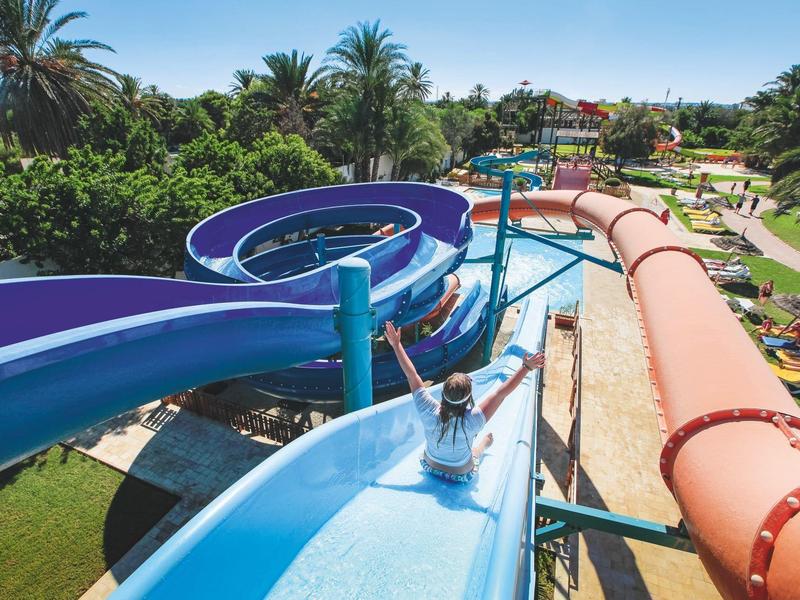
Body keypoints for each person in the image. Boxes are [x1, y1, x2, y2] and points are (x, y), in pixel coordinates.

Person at [384, 321, 545, 484]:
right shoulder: (473, 420)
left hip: (430, 466)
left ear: (443, 392)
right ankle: (483, 446)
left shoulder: (426, 409)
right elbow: (501, 393)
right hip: (460, 475)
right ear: (469, 398)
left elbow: (412, 375)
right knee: (475, 452)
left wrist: (396, 345)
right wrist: (526, 367)